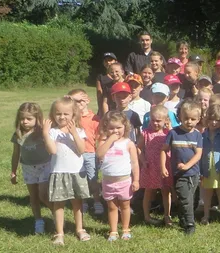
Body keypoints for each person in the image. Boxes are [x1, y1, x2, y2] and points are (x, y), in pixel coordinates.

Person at [42, 97, 90, 245]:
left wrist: (74, 133)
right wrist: (45, 133)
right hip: (59, 173)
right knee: (59, 204)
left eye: (66, 114)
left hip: (76, 172)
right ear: (53, 115)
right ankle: (59, 233)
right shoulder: (53, 132)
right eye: (58, 114)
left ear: (73, 115)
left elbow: (82, 150)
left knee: (77, 204)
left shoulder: (80, 131)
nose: (62, 117)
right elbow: (52, 150)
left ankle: (80, 229)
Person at [160, 101, 203, 235]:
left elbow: (198, 154)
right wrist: (163, 166)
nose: (189, 122)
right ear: (180, 117)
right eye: (186, 118)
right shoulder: (173, 133)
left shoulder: (197, 135)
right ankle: (190, 224)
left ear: (198, 120)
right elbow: (164, 150)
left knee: (190, 198)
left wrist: (187, 166)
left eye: (193, 119)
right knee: (185, 198)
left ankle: (183, 218)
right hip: (179, 173)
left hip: (194, 173)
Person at [96, 111, 140, 241]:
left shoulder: (128, 143)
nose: (115, 131)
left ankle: (125, 229)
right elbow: (99, 154)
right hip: (108, 181)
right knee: (112, 206)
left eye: (118, 127)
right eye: (111, 128)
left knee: (125, 205)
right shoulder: (104, 141)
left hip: (124, 180)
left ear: (125, 127)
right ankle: (113, 231)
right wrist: (109, 139)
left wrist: (136, 180)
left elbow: (134, 163)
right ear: (105, 128)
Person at [10, 102, 52, 234]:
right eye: (22, 118)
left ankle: (57, 214)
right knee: (33, 196)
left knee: (43, 195)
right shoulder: (18, 134)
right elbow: (16, 154)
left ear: (37, 118)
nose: (25, 122)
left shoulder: (42, 133)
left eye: (29, 119)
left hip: (44, 166)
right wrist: (13, 171)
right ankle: (38, 221)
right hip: (28, 169)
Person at [68, 89, 103, 215]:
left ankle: (97, 201)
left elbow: (99, 138)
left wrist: (99, 154)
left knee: (92, 179)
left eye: (80, 100)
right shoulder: (71, 117)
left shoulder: (95, 118)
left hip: (90, 153)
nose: (78, 103)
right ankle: (84, 202)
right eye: (74, 101)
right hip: (76, 153)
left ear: (87, 100)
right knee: (79, 180)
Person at [138, 105, 174, 226]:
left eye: (158, 121)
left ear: (165, 120)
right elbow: (138, 148)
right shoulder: (146, 133)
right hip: (150, 167)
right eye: (153, 120)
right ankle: (146, 216)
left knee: (166, 191)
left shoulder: (168, 133)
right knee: (148, 191)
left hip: (165, 166)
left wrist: (170, 128)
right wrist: (143, 161)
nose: (155, 123)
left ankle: (167, 216)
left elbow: (175, 145)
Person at [200, 104, 220, 224]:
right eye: (212, 119)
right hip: (207, 166)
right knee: (208, 192)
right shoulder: (203, 135)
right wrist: (201, 170)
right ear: (207, 119)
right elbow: (200, 153)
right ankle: (206, 215)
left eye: (217, 120)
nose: (214, 123)